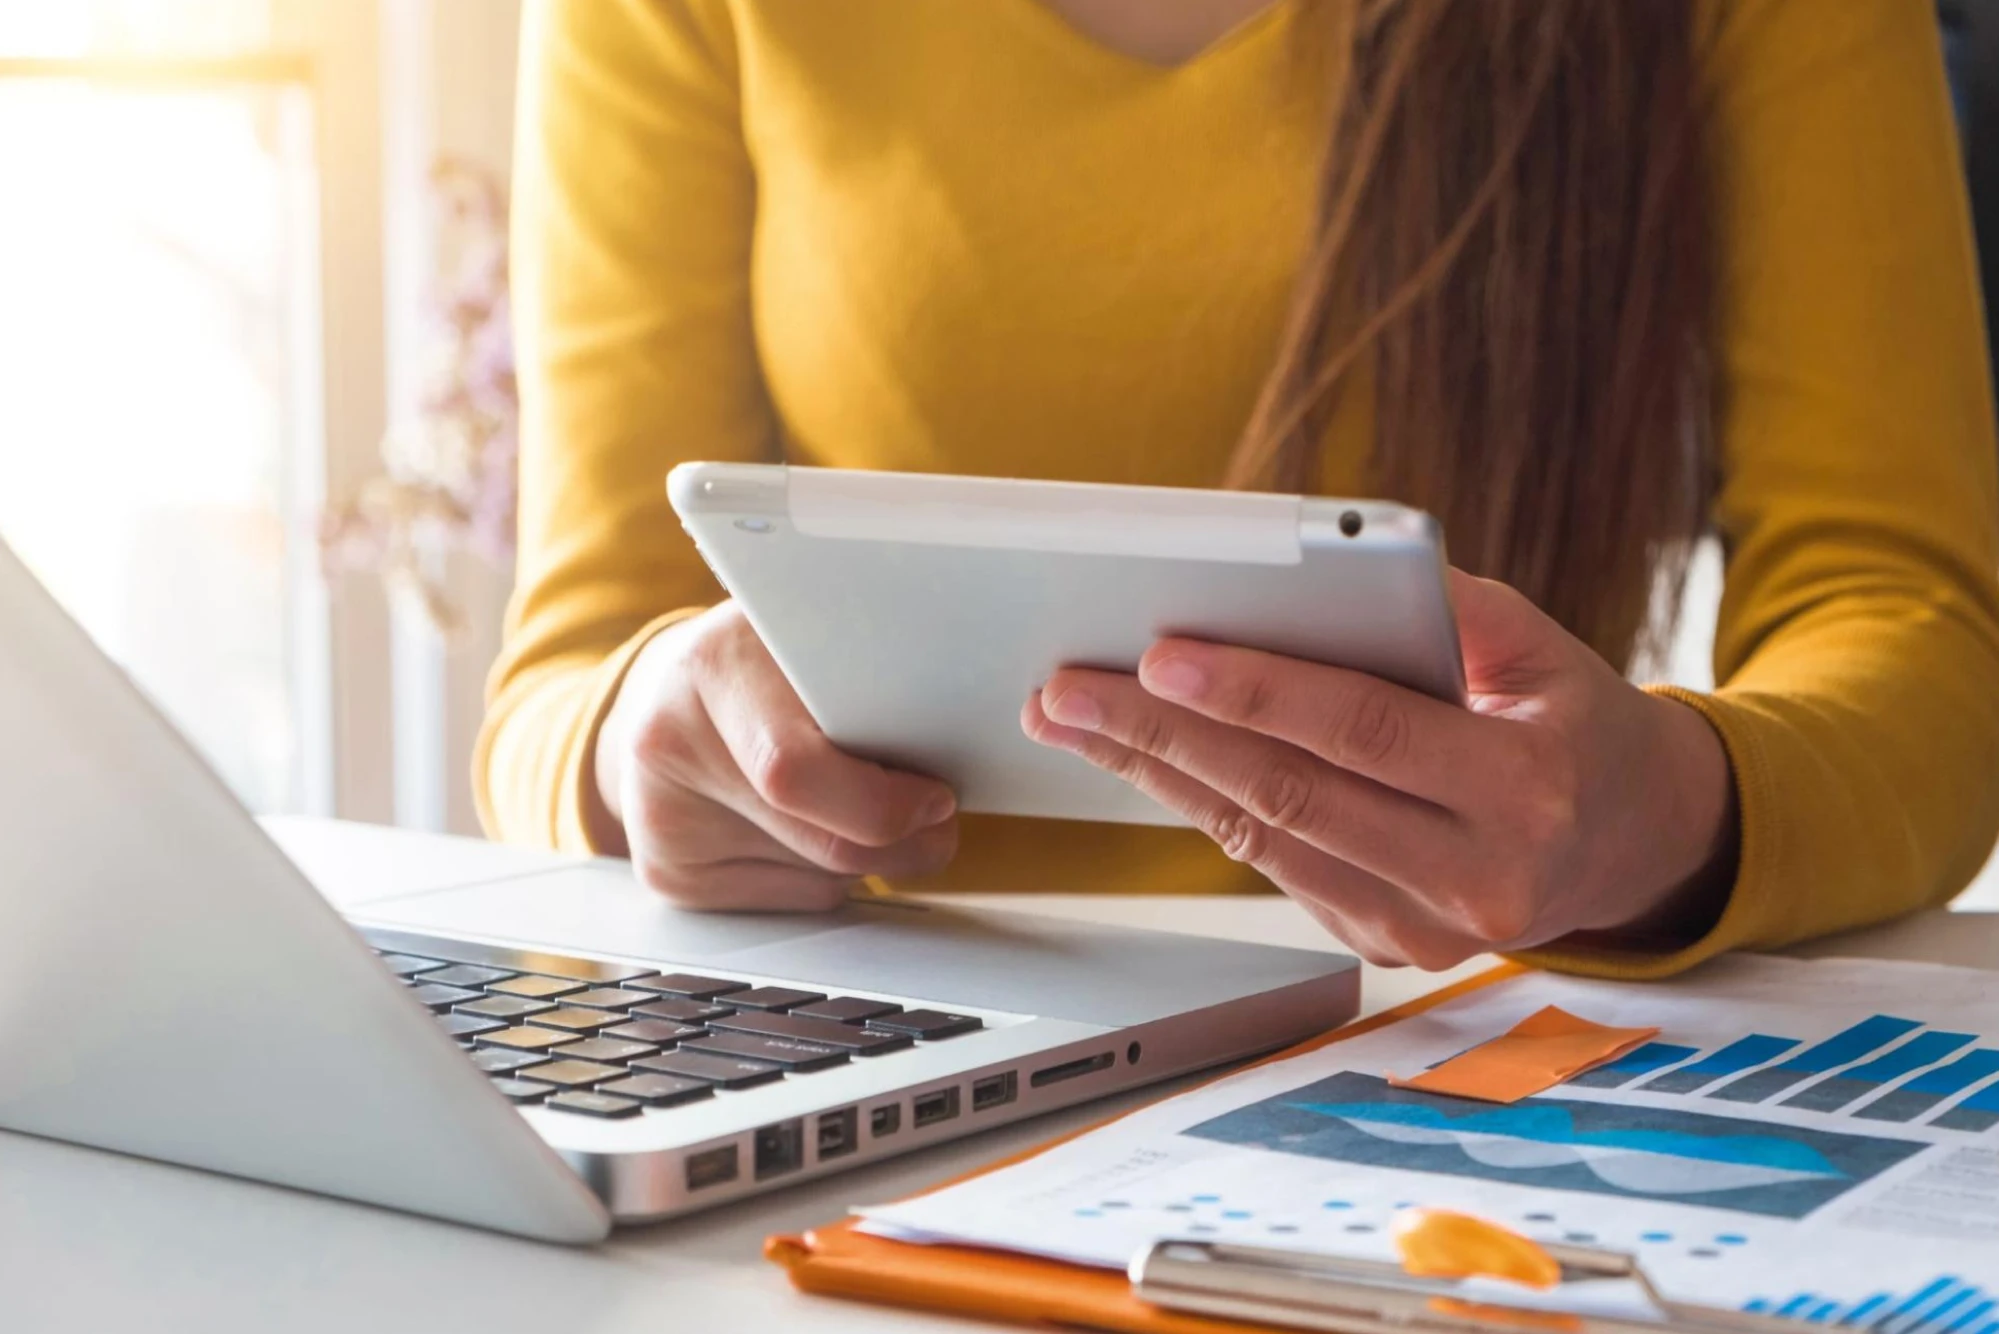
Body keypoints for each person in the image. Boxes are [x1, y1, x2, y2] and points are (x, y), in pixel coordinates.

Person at [477, 0, 1999, 977]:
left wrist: (1656, 810)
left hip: (1459, 1052)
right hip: (880, 1065)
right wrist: (637, 738)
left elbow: (1914, 626)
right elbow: (565, 673)